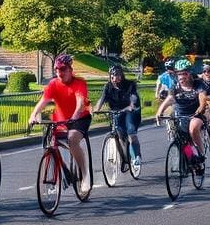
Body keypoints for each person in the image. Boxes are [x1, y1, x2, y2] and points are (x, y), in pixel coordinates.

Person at [28, 54, 92, 194]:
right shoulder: (53, 84)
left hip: (80, 118)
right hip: (60, 118)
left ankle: (85, 176)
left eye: (62, 69)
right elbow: (43, 102)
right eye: (56, 69)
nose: (59, 72)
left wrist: (74, 118)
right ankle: (64, 170)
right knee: (51, 143)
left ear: (70, 69)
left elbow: (80, 104)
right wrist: (33, 115)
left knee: (72, 139)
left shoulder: (79, 83)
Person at [156, 59, 207, 168]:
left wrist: (200, 109)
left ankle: (201, 154)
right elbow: (170, 99)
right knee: (180, 139)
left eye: (184, 73)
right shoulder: (175, 86)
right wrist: (160, 112)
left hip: (195, 114)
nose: (181, 77)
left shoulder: (198, 84)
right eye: (178, 74)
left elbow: (202, 100)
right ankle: (191, 159)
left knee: (193, 129)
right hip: (180, 115)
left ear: (189, 73)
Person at [95, 64, 142, 170]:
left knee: (130, 131)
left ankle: (137, 157)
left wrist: (131, 105)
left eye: (117, 75)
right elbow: (102, 99)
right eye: (112, 76)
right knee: (120, 134)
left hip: (130, 111)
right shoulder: (108, 87)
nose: (114, 78)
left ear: (121, 75)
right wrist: (96, 109)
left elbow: (133, 97)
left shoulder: (130, 85)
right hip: (116, 112)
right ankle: (125, 159)